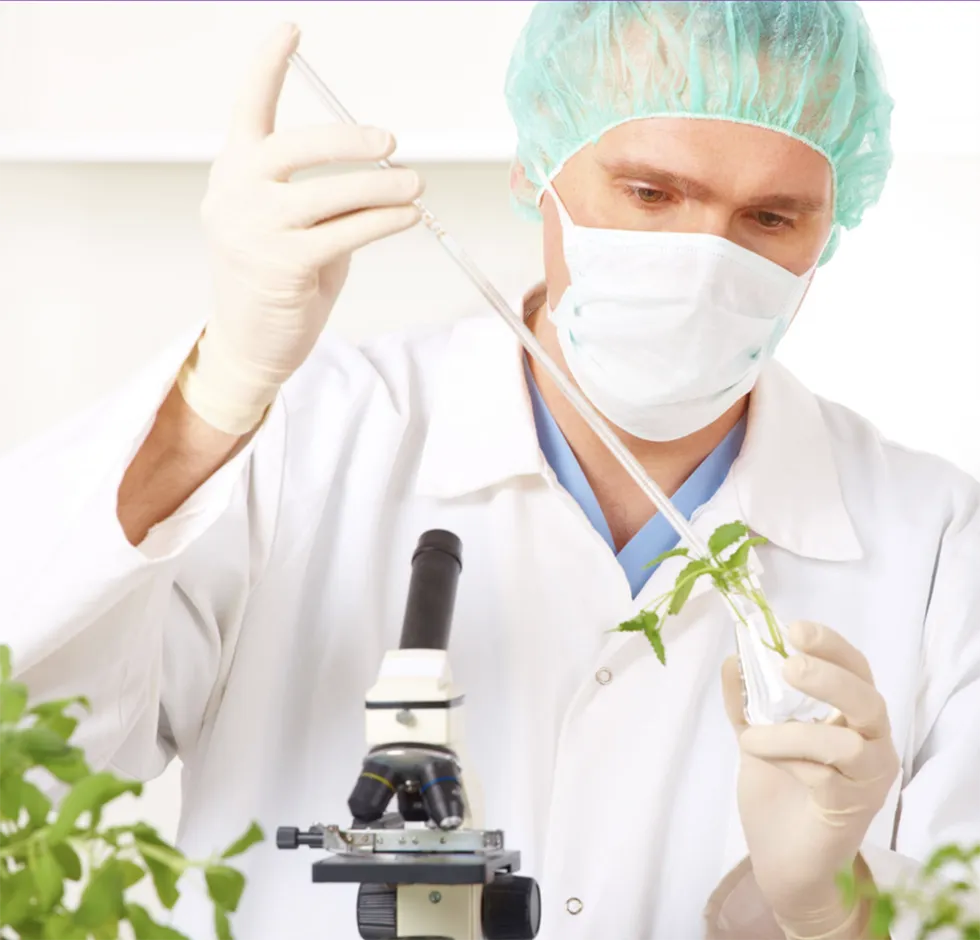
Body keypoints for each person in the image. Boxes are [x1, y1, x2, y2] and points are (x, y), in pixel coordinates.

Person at [3, 3, 979, 938]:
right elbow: (36, 757)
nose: (702, 261)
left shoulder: (934, 543)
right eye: (649, 194)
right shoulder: (305, 437)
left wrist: (833, 910)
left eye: (769, 218)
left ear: (828, 229)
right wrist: (209, 406)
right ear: (536, 167)